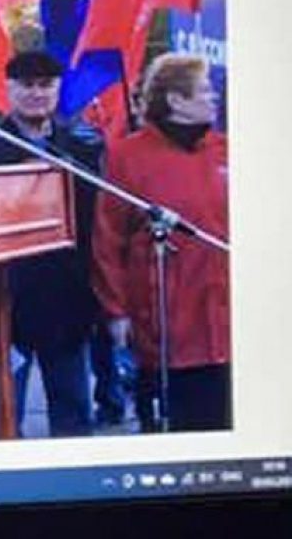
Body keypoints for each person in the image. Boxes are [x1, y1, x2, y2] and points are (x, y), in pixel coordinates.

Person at [92, 52, 230, 433]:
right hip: (167, 322)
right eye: (204, 90)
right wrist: (116, 312)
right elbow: (108, 239)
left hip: (226, 318)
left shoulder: (225, 149)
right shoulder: (127, 155)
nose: (214, 98)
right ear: (175, 100)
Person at [0, 48, 105, 436]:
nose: (37, 93)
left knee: (74, 416)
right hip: (7, 302)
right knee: (5, 421)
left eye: (45, 85)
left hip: (67, 300)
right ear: (9, 89)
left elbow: (95, 224)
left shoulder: (82, 146)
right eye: (27, 85)